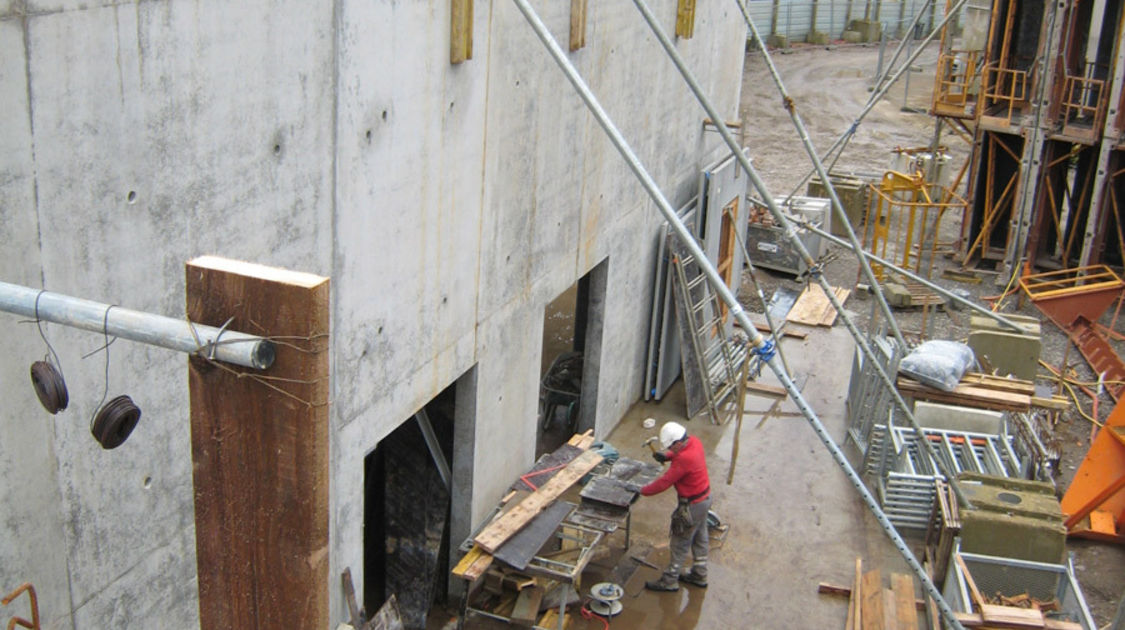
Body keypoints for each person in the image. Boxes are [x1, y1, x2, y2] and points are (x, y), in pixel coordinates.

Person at [637, 421, 711, 591]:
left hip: (692, 505)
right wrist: (667, 456)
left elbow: (665, 482)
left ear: (678, 442)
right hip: (704, 498)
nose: (670, 449)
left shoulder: (685, 459)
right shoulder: (694, 442)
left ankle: (670, 580)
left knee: (680, 542)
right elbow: (679, 455)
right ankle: (700, 573)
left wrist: (642, 490)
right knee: (700, 536)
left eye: (671, 447)